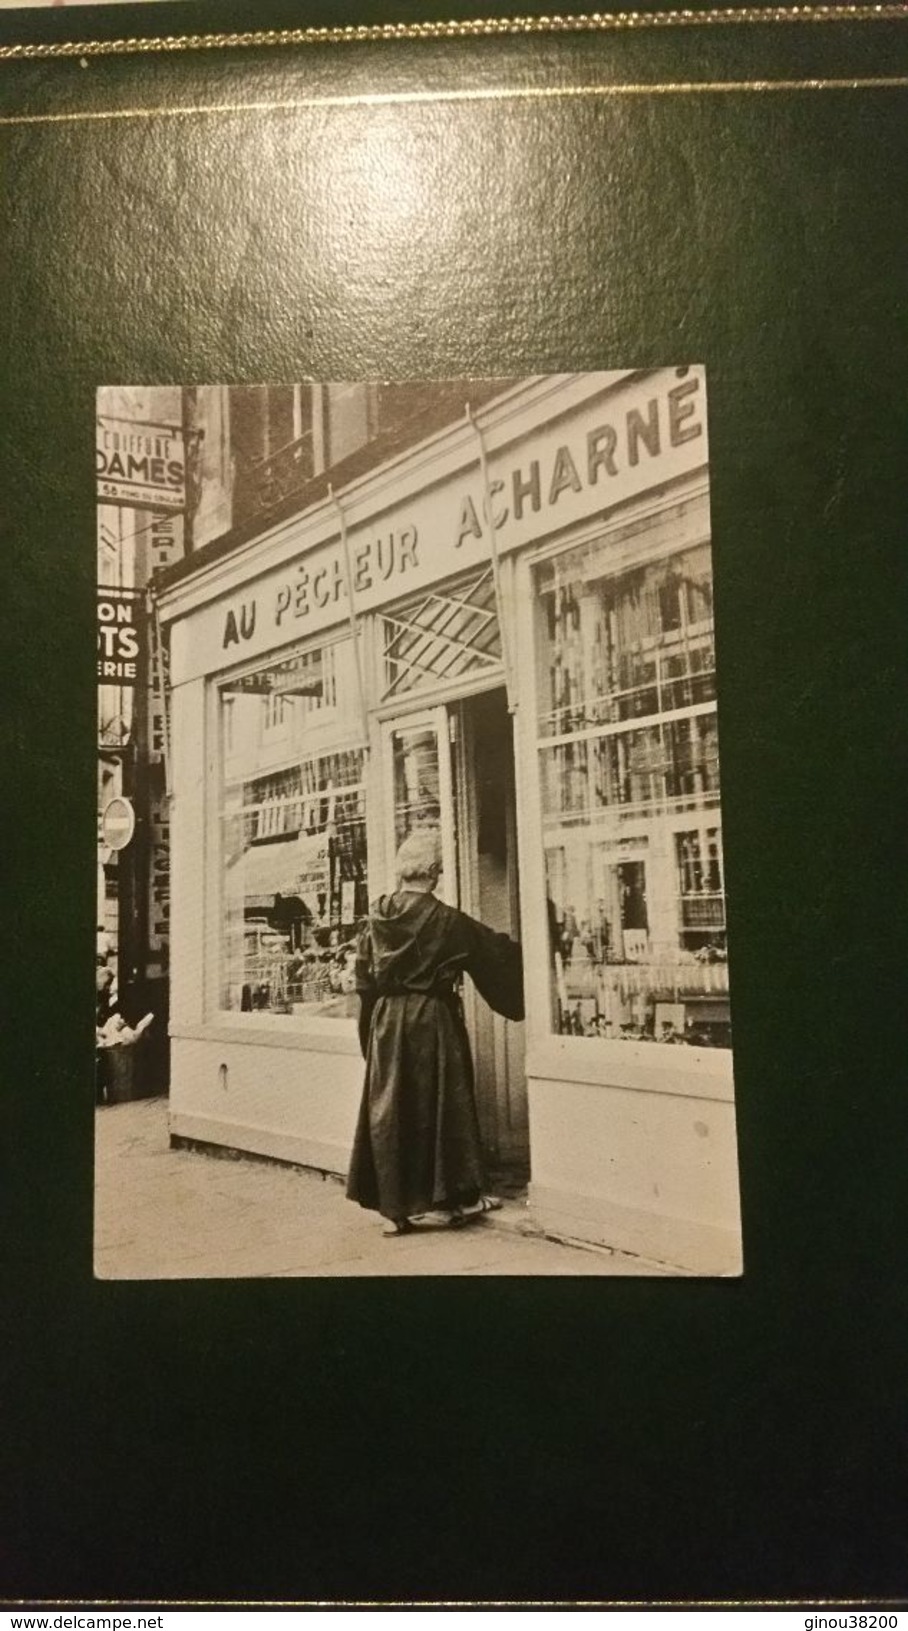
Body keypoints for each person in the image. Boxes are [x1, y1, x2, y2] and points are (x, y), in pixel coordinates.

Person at [346, 827, 524, 1237]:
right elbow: (492, 952)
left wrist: (370, 1034)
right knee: (444, 1108)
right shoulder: (446, 920)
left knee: (391, 1111)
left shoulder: (375, 916)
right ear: (435, 871)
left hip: (387, 1020)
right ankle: (454, 1199)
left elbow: (363, 980)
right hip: (432, 1020)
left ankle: (395, 1209)